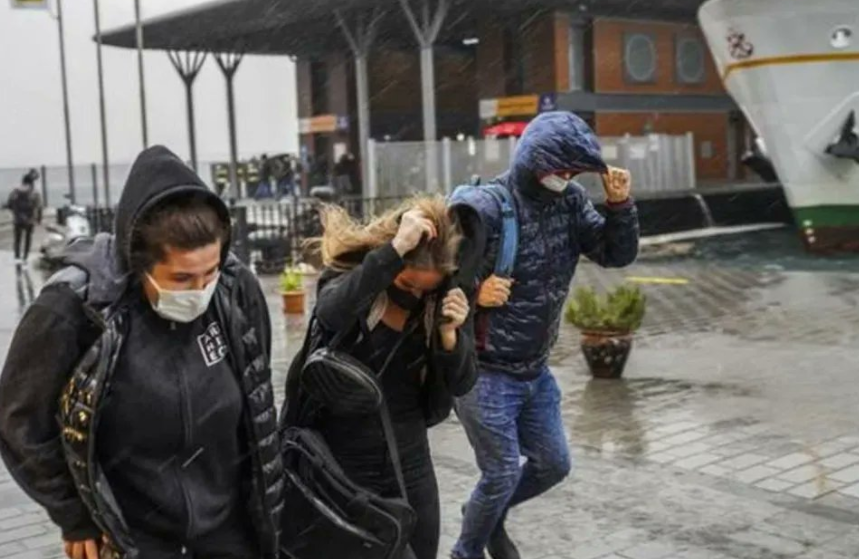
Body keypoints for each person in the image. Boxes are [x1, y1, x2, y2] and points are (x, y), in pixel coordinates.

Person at [0, 146, 283, 559]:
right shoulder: (76, 306)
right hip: (136, 536)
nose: (200, 289)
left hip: (230, 531)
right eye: (182, 277)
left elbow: (255, 392)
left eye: (211, 271)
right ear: (140, 263)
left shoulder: (236, 290)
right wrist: (73, 514)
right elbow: (18, 420)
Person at [449, 112, 640, 559]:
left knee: (554, 464)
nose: (568, 179)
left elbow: (614, 254)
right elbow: (432, 280)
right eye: (563, 170)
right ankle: (466, 550)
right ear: (536, 162)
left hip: (535, 370)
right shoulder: (485, 206)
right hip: (486, 372)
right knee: (498, 475)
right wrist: (476, 292)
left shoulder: (570, 203)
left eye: (575, 173)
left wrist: (620, 207)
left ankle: (483, 513)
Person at [282, 197, 478, 559]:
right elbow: (330, 313)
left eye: (425, 289)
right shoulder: (355, 280)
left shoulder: (440, 302)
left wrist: (451, 338)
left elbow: (462, 383)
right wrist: (393, 252)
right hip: (342, 462)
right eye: (406, 283)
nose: (415, 295)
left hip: (410, 461)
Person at [7, 169, 43, 265]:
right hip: (29, 219)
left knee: (17, 239)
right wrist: (39, 218)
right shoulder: (35, 192)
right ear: (32, 182)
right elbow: (39, 206)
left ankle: (17, 257)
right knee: (28, 238)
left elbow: (9, 204)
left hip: (17, 219)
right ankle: (25, 257)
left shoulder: (15, 191)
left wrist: (16, 212)